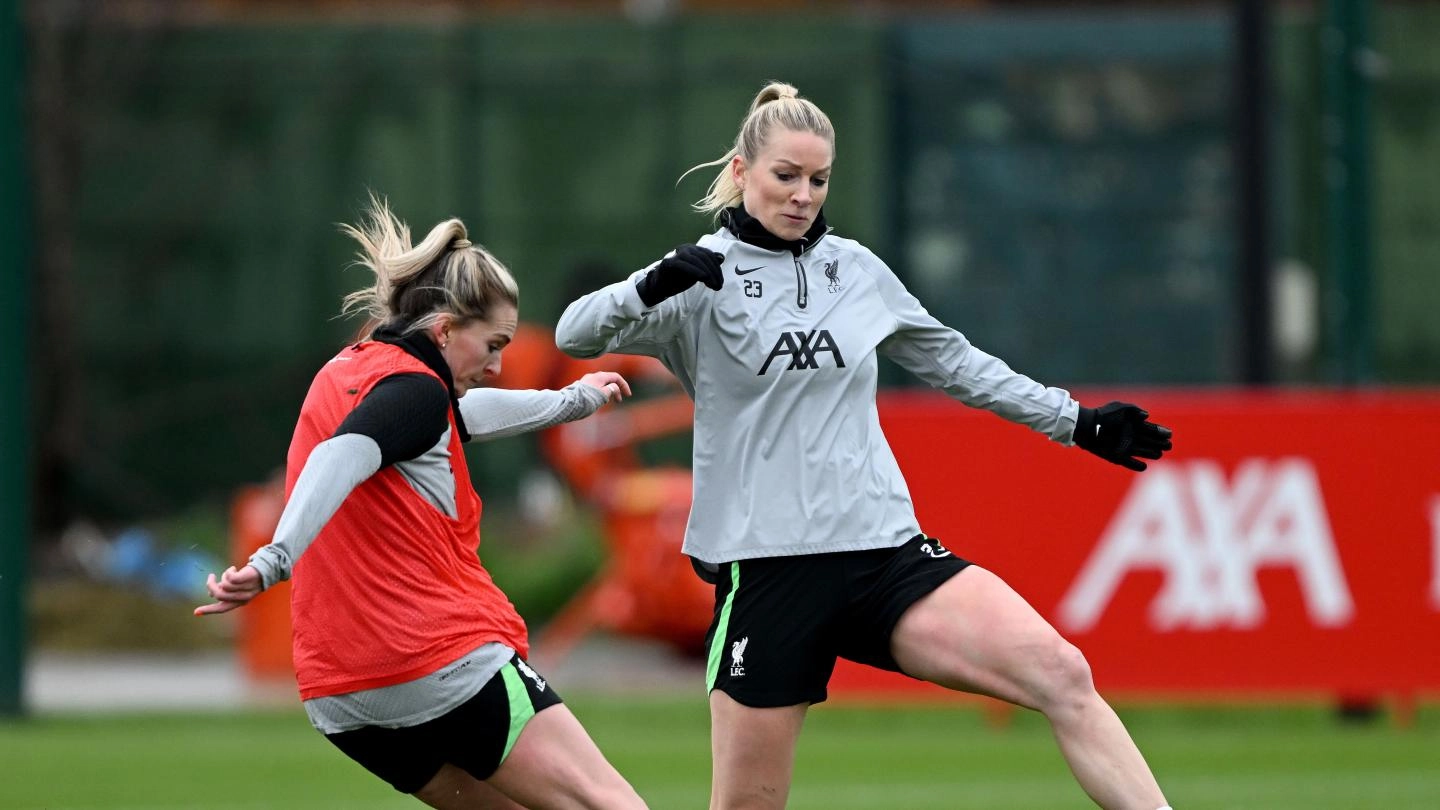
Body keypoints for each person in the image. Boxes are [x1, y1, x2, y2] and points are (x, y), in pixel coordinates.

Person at [555, 82, 1175, 810]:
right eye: (785, 175)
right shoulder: (698, 279)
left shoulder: (855, 270)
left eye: (818, 179)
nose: (803, 195)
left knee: (1062, 674)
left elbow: (956, 362)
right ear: (740, 171)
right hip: (768, 572)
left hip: (882, 554)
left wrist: (1077, 422)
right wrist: (650, 283)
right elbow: (574, 333)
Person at [195, 196, 648, 810]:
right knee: (608, 802)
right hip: (437, 660)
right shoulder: (414, 392)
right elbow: (343, 454)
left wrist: (568, 401)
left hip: (344, 697)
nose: (496, 366)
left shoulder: (356, 371)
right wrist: (275, 559)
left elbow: (455, 416)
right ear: (442, 330)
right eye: (492, 345)